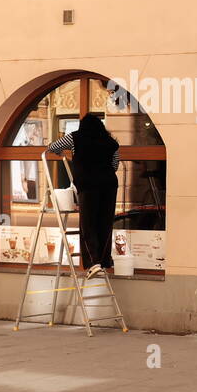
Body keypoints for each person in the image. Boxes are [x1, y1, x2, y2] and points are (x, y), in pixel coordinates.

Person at [46, 114, 120, 279]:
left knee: (88, 224)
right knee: (105, 223)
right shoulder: (112, 143)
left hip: (88, 185)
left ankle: (93, 263)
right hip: (109, 185)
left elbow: (52, 146)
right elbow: (114, 165)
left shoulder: (75, 138)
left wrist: (60, 152)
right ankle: (104, 261)